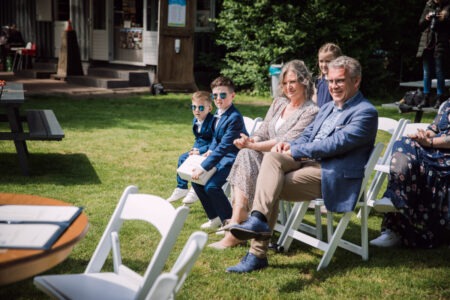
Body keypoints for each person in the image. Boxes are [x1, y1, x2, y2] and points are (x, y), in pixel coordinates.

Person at [226, 56, 379, 273]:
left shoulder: (365, 112)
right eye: (331, 81)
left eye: (340, 81)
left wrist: (294, 150)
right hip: (307, 163)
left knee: (270, 184)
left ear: (356, 81)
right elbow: (308, 134)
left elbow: (333, 144)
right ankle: (258, 220)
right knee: (271, 158)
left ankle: (256, 253)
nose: (333, 86)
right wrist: (287, 145)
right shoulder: (327, 108)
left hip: (331, 174)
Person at [208, 60, 319, 250]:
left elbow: (286, 140)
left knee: (251, 152)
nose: (288, 87)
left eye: (292, 82)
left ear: (304, 81)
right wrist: (249, 141)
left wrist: (254, 144)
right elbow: (264, 130)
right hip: (266, 155)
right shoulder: (279, 103)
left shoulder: (311, 110)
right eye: (284, 83)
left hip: (290, 159)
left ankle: (240, 226)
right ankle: (238, 219)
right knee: (245, 154)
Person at [370, 99, 450, 248]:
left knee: (411, 151)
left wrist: (430, 143)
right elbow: (433, 129)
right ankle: (395, 212)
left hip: (446, 159)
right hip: (435, 152)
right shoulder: (447, 104)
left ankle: (395, 201)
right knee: (404, 142)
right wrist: (423, 135)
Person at [191, 76, 248, 230]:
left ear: (232, 95)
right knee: (196, 181)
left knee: (211, 187)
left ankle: (230, 222)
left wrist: (203, 167)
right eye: (215, 95)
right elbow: (216, 138)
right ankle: (214, 217)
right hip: (221, 157)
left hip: (234, 159)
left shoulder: (234, 117)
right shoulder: (218, 112)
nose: (218, 99)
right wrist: (209, 151)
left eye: (223, 95)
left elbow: (224, 147)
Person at [166, 91, 214, 204]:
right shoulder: (195, 120)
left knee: (196, 163)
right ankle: (181, 188)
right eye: (194, 107)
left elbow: (215, 141)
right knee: (183, 158)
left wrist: (201, 151)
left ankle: (195, 189)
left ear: (209, 108)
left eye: (201, 107)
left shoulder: (213, 122)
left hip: (209, 150)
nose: (197, 110)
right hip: (199, 147)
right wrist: (194, 149)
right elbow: (199, 138)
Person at [416, 0, 450, 109]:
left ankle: (440, 98)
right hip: (427, 42)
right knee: (426, 72)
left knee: (439, 71)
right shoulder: (429, 5)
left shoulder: (447, 6)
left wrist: (444, 18)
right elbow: (420, 24)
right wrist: (427, 18)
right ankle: (426, 98)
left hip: (440, 42)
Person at [313, 43, 342, 108]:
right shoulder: (318, 81)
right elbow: (315, 103)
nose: (324, 65)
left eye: (328, 61)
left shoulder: (340, 83)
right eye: (321, 61)